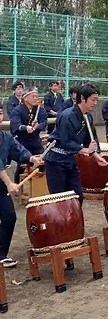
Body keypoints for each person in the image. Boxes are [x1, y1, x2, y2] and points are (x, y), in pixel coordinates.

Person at [44, 84, 107, 205]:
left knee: (77, 197)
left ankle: (74, 223)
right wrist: (84, 150)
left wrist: (97, 156)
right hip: (56, 161)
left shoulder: (88, 116)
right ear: (83, 98)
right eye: (93, 100)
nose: (95, 103)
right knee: (59, 199)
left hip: (70, 160)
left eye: (96, 100)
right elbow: (66, 142)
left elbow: (90, 140)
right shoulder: (66, 116)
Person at [0, 102, 43, 267]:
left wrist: (32, 158)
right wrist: (9, 182)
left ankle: (1, 255)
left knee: (9, 217)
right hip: (3, 181)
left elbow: (18, 150)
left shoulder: (5, 137)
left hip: (0, 186)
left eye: (0, 113)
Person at [10, 87, 47, 183]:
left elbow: (44, 122)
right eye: (33, 96)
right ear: (25, 98)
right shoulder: (17, 110)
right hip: (22, 141)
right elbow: (16, 125)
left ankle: (40, 185)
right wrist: (26, 128)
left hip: (35, 140)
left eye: (37, 96)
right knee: (22, 164)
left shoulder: (40, 109)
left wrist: (37, 126)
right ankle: (18, 185)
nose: (36, 98)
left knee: (41, 161)